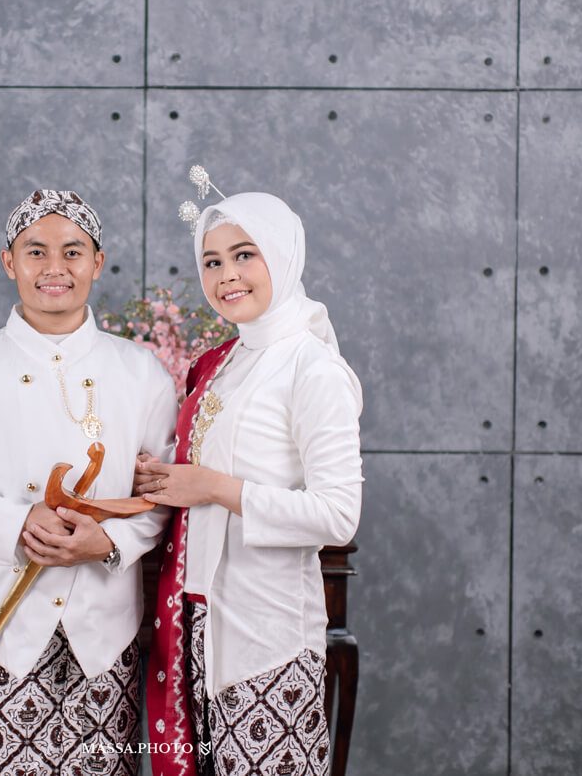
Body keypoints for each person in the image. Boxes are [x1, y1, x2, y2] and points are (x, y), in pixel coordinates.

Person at [0, 189, 177, 776]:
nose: (55, 267)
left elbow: (161, 489)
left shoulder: (141, 372)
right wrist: (17, 522)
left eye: (73, 251)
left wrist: (110, 543)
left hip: (104, 636)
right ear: (10, 262)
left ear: (97, 263)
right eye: (36, 251)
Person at [135, 190, 363, 776]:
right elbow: (192, 481)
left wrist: (214, 487)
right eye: (212, 261)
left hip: (268, 639)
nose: (227, 275)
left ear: (282, 254)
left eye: (244, 255)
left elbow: (338, 515)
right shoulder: (223, 365)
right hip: (198, 626)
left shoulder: (313, 368)